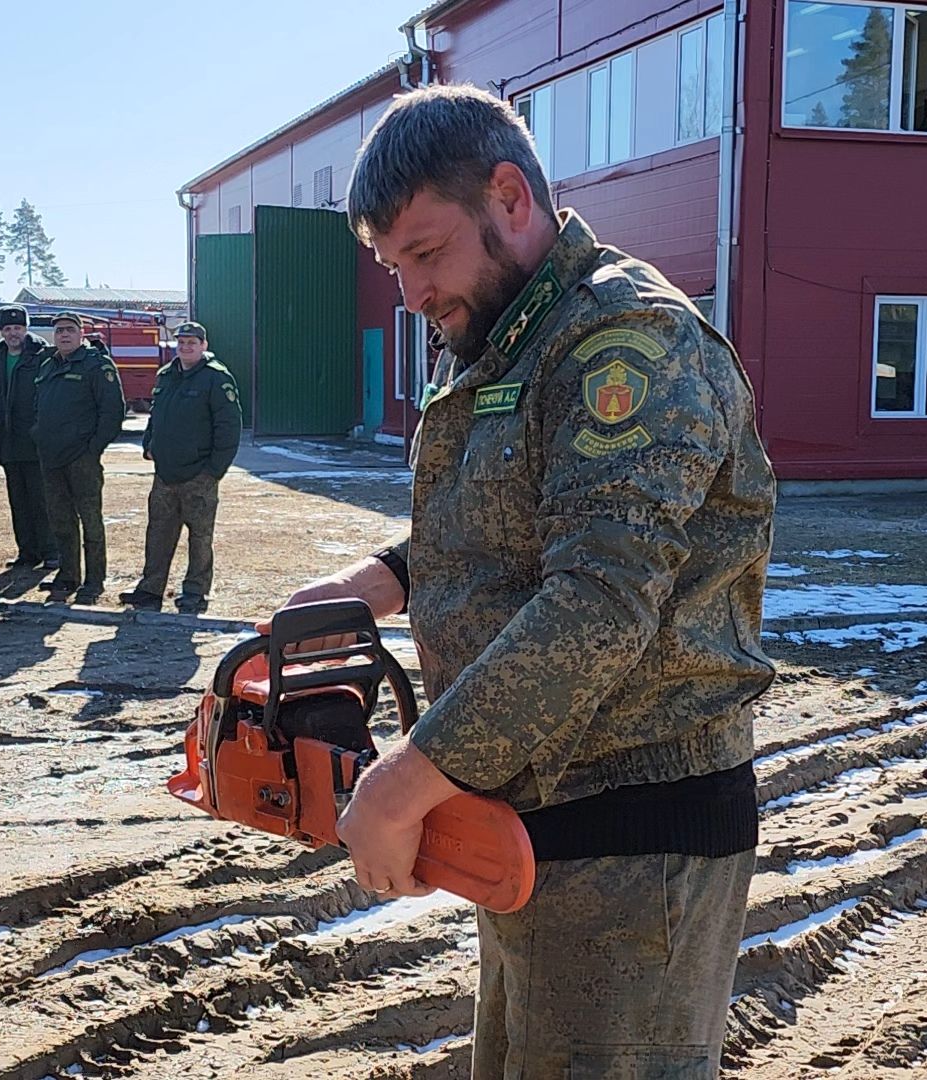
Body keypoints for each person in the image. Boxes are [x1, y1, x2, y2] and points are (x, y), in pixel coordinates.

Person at [269, 85, 776, 1079]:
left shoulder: (627, 345)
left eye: (424, 253)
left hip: (636, 843)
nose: (411, 293)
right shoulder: (515, 334)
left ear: (511, 196)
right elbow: (512, 524)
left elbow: (598, 601)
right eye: (392, 266)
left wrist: (399, 784)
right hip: (538, 827)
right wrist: (372, 584)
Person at [119, 321, 240, 614]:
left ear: (204, 346)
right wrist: (149, 444)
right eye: (182, 342)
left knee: (199, 537)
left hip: (199, 475)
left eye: (192, 343)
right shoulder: (167, 375)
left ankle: (195, 593)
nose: (186, 347)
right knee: (158, 533)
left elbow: (229, 427)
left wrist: (214, 470)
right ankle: (150, 589)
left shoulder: (216, 378)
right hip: (165, 473)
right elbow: (155, 415)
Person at [32, 311, 124, 604]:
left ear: (81, 333)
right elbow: (39, 407)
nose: (64, 335)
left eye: (70, 330)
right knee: (60, 520)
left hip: (82, 457)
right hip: (51, 456)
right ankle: (68, 574)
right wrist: (38, 433)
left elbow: (112, 411)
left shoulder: (96, 366)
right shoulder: (47, 366)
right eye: (59, 330)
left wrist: (93, 447)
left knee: (90, 521)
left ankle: (94, 580)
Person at [0, 305, 59, 572]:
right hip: (8, 443)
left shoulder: (42, 356)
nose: (13, 333)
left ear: (25, 329)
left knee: (42, 500)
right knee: (18, 501)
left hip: (35, 443)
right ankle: (27, 552)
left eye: (17, 328)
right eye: (7, 329)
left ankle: (51, 551)